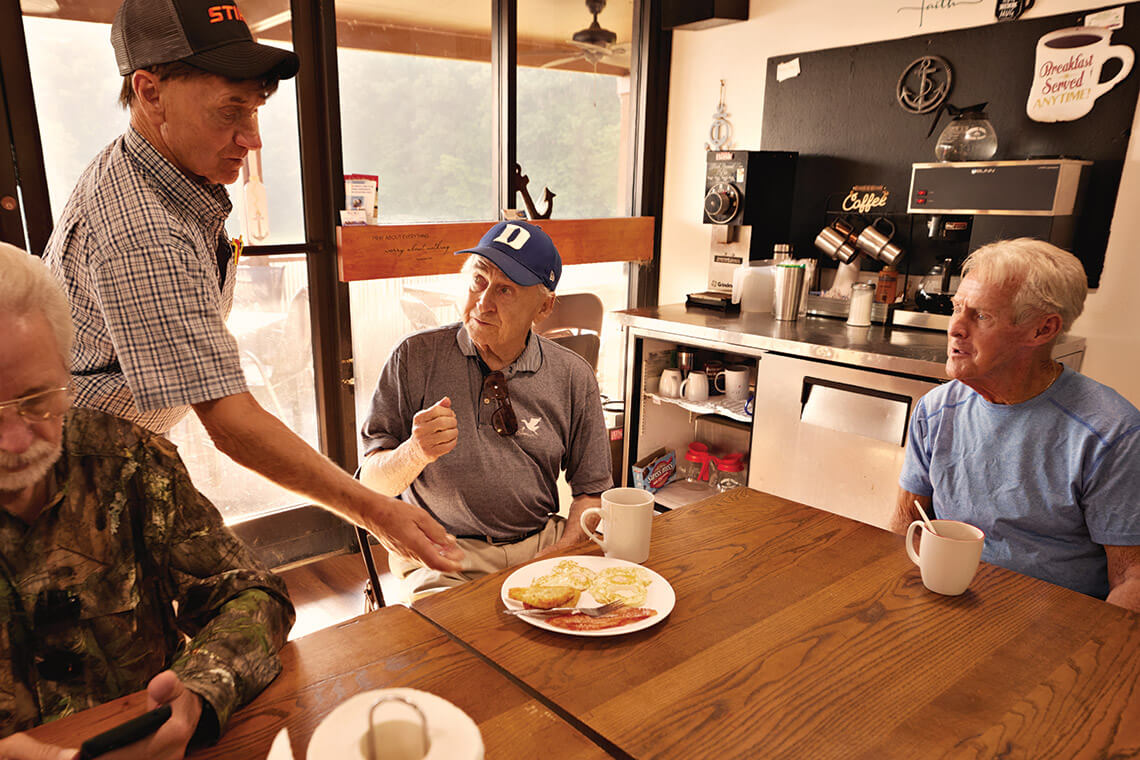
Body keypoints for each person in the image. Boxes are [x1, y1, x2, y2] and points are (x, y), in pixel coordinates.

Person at [42, 0, 460, 574]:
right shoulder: (141, 229)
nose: (252, 137)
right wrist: (373, 510)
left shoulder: (168, 177)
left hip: (117, 450)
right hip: (61, 483)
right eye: (229, 111)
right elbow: (230, 421)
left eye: (256, 109)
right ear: (150, 91)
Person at [0, 243, 295, 759]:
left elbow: (253, 593)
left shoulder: (123, 458)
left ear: (67, 372)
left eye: (38, 400)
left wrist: (198, 693)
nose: (16, 441)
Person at [360, 221, 613, 602]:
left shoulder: (573, 375)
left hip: (541, 546)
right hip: (441, 556)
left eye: (505, 289)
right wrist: (415, 452)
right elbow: (371, 485)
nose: (483, 302)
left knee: (605, 614)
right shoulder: (413, 357)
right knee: (455, 638)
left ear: (544, 307)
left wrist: (558, 554)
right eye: (479, 280)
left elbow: (592, 494)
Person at [891, 238, 1140, 611]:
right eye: (957, 308)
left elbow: (1132, 578)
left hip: (1050, 626)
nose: (955, 328)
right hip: (945, 604)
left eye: (981, 316)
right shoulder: (936, 409)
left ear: (1042, 330)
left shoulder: (1111, 433)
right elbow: (906, 522)